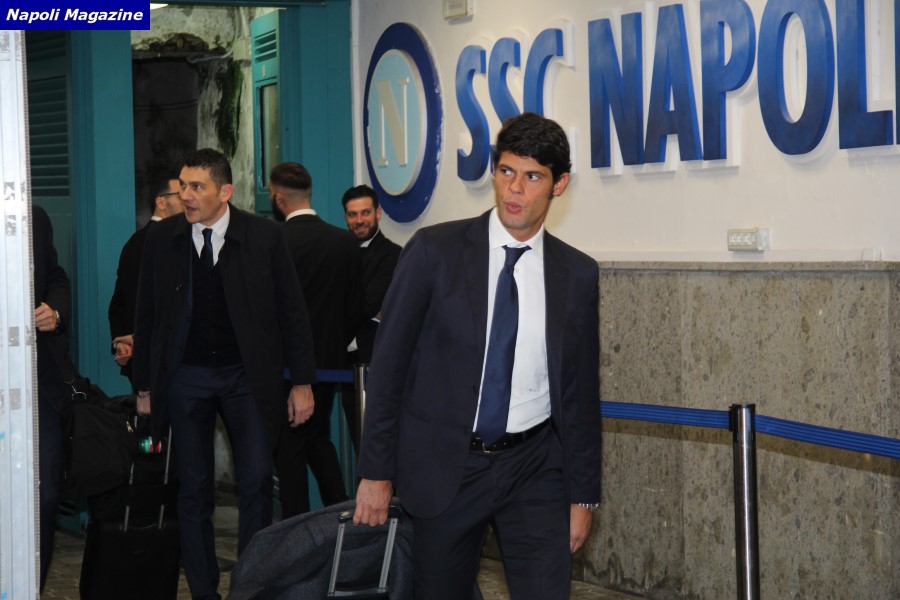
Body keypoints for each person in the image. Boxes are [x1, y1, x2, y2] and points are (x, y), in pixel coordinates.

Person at [353, 113, 602, 599]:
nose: (515, 189)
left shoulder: (577, 274)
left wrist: (584, 495)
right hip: (445, 468)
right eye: (506, 171)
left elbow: (580, 394)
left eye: (533, 177)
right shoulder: (434, 252)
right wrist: (376, 472)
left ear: (559, 184)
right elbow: (389, 368)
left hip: (534, 469)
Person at [132, 148, 317, 600]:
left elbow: (292, 312)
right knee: (193, 488)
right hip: (186, 377)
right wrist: (144, 385)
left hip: (245, 378)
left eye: (197, 187)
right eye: (183, 185)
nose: (186, 195)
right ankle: (203, 591)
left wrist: (302, 382)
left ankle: (249, 587)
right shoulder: (162, 239)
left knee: (256, 480)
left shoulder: (264, 237)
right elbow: (147, 313)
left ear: (225, 192)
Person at [268, 162, 357, 517]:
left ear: (278, 198)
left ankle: (296, 531)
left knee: (289, 448)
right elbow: (354, 305)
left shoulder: (275, 242)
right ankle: (340, 512)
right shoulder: (345, 241)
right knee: (317, 437)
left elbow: (270, 308)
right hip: (330, 364)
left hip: (286, 365)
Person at [340, 184, 401, 448]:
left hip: (376, 362)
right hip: (343, 364)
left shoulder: (393, 255)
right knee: (358, 442)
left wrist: (342, 308)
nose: (359, 220)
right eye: (352, 214)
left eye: (365, 213)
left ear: (378, 213)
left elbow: (367, 304)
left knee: (378, 446)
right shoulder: (337, 252)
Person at [107, 174, 183, 384]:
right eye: (180, 194)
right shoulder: (150, 241)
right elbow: (127, 300)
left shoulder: (172, 238)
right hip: (154, 358)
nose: (187, 198)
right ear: (161, 202)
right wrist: (126, 341)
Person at [32, 204, 73, 591]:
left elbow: (55, 277)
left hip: (38, 385)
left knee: (44, 497)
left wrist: (55, 311)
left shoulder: (34, 217)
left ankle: (32, 589)